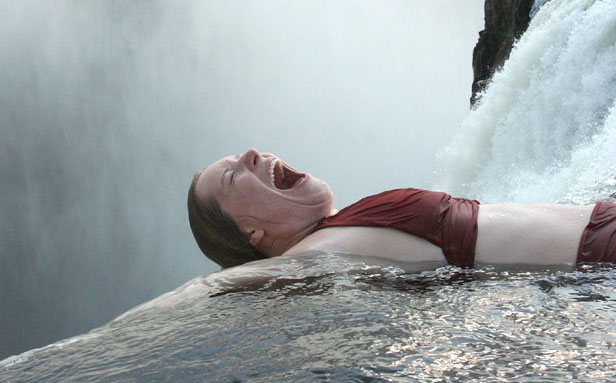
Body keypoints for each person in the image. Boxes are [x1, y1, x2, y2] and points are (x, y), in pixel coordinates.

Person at [188, 149, 616, 269]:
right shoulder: (311, 257)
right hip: (601, 254)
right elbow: (250, 282)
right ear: (250, 234)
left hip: (602, 225)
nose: (248, 153)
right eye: (232, 177)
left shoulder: (332, 233)